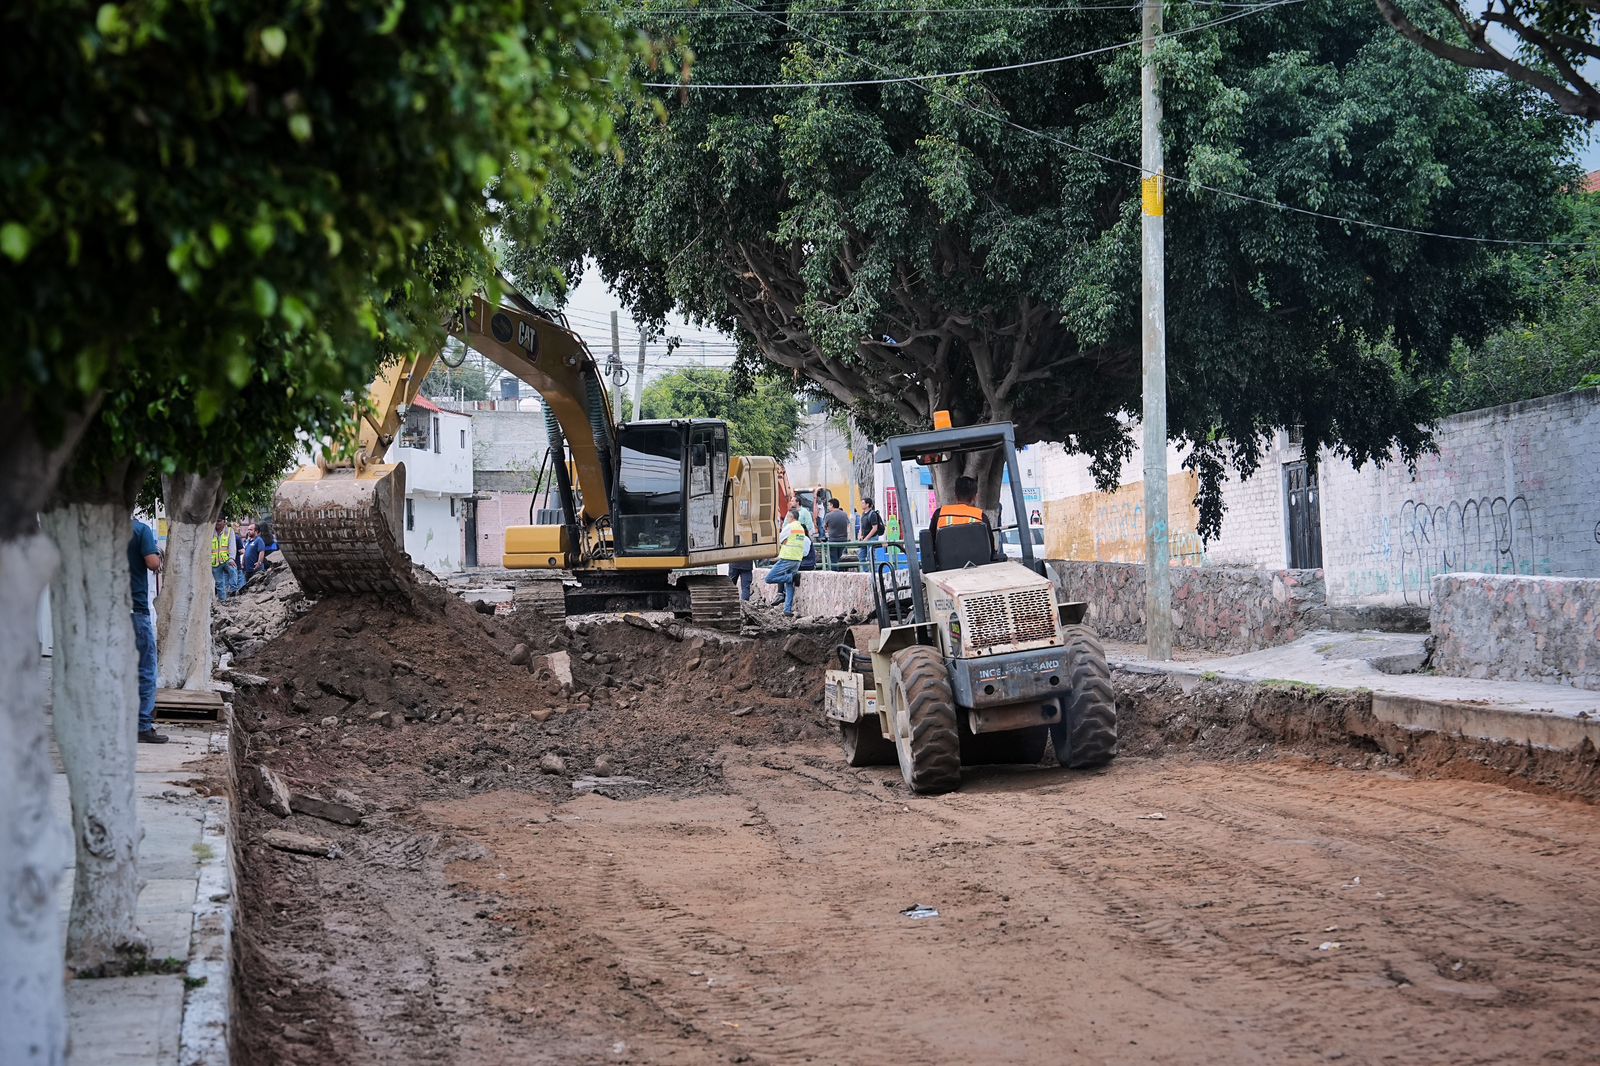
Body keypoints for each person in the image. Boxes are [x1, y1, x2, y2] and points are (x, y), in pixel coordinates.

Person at [129, 517, 167, 744]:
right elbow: (152, 563)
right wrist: (158, 556)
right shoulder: (140, 530)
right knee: (145, 669)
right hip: (135, 610)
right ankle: (142, 725)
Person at [763, 506, 809, 616]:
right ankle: (787, 610)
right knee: (789, 586)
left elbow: (779, 539)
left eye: (788, 516)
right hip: (797, 558)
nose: (786, 518)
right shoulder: (801, 528)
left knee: (769, 578)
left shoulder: (790, 527)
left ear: (791, 517)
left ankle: (792, 577)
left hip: (787, 557)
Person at [823, 497, 850, 568]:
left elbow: (825, 527)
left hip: (833, 540)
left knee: (833, 560)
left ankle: (835, 574)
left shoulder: (828, 515)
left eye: (829, 505)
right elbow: (848, 525)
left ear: (832, 505)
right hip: (844, 540)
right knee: (839, 558)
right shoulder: (844, 514)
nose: (828, 507)